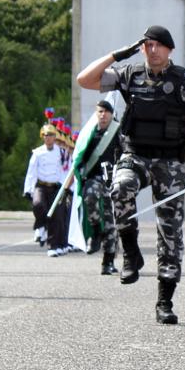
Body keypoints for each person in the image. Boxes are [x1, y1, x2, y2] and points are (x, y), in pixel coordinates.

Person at [77, 25, 185, 325]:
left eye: (158, 45)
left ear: (170, 50)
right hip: (135, 155)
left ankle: (164, 300)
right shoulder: (128, 75)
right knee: (120, 188)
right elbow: (84, 80)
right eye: (147, 45)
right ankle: (130, 253)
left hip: (171, 163)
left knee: (170, 232)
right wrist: (115, 55)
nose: (152, 50)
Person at [63, 100, 122, 274]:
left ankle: (108, 261)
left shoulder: (118, 133)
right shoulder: (89, 135)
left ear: (111, 114)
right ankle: (96, 229)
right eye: (99, 112)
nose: (102, 115)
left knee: (112, 223)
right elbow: (78, 161)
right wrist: (67, 188)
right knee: (89, 196)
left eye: (105, 111)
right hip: (94, 178)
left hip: (114, 181)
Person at [23, 124, 71, 257]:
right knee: (38, 204)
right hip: (41, 186)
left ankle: (53, 246)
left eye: (51, 135)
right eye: (46, 135)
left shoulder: (61, 152)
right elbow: (31, 172)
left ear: (55, 137)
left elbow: (64, 169)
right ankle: (41, 226)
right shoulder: (37, 152)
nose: (48, 138)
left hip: (56, 186)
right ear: (42, 137)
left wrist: (65, 187)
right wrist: (28, 189)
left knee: (56, 216)